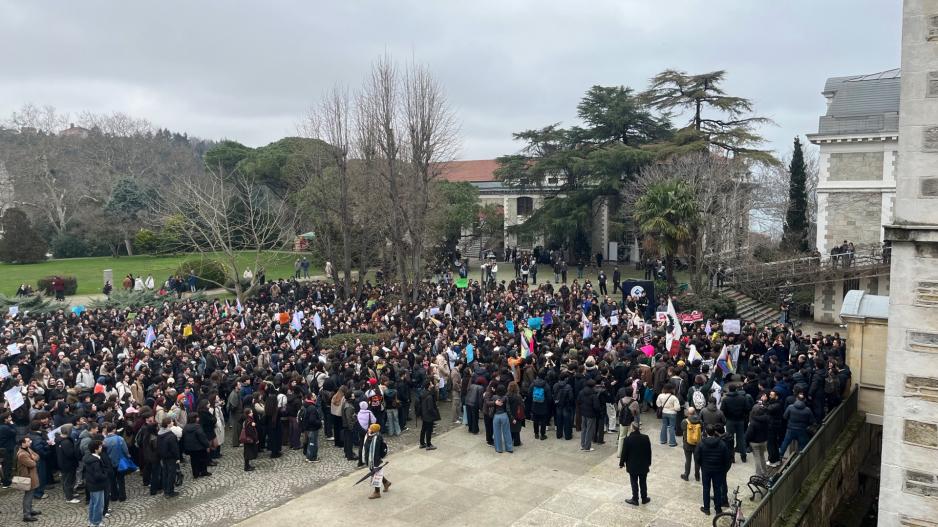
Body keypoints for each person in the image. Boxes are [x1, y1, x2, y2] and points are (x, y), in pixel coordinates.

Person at [696, 424, 732, 515]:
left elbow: (697, 457)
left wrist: (702, 465)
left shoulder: (701, 443)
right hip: (718, 470)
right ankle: (718, 509)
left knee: (706, 488)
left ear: (706, 432)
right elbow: (726, 458)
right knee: (717, 489)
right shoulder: (721, 444)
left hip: (706, 469)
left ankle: (706, 508)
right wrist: (723, 468)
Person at [619, 422, 651, 506]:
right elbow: (649, 452)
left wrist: (621, 463)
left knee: (634, 482)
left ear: (632, 428)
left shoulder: (628, 439)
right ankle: (644, 498)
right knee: (643, 482)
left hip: (632, 466)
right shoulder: (645, 438)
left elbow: (624, 453)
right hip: (643, 465)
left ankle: (635, 499)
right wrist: (649, 462)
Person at [779, 393, 815, 460]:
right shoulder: (807, 410)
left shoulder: (790, 407)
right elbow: (812, 421)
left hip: (790, 429)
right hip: (802, 430)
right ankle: (799, 459)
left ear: (796, 399)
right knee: (802, 444)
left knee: (785, 443)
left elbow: (785, 416)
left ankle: (780, 456)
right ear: (804, 400)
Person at [361, 424, 391, 499]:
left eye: (370, 428)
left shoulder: (377, 438)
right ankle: (386, 482)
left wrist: (375, 462)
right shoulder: (369, 435)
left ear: (373, 430)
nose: (368, 429)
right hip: (369, 459)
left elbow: (376, 451)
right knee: (376, 473)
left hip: (375, 460)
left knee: (376, 475)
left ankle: (377, 492)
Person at [83, 440, 108, 527]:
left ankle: (92, 521)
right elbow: (98, 475)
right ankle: (96, 522)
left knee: (93, 503)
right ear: (95, 449)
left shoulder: (89, 458)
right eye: (100, 447)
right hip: (97, 485)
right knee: (98, 505)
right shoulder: (96, 461)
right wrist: (105, 474)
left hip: (91, 484)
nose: (101, 448)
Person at [16, 435, 40, 522]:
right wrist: (33, 459)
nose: (30, 442)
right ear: (23, 443)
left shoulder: (28, 449)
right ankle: (26, 515)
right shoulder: (22, 454)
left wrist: (33, 458)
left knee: (30, 494)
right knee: (28, 496)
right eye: (28, 441)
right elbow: (32, 464)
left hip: (31, 475)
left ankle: (30, 510)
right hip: (28, 477)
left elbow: (37, 456)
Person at [156, 418, 180, 497]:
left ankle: (166, 490)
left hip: (163, 457)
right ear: (168, 424)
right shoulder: (171, 435)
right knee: (171, 474)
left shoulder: (159, 434)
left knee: (165, 473)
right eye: (171, 421)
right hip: (171, 457)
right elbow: (174, 448)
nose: (173, 422)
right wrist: (177, 458)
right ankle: (170, 491)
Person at [577, 379, 601, 452]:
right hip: (591, 414)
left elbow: (578, 401)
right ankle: (587, 447)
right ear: (593, 386)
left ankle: (583, 445)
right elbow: (596, 406)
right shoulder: (594, 395)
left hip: (583, 412)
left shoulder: (581, 392)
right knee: (589, 430)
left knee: (584, 429)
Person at [680, 407, 703, 481]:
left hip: (687, 444)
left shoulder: (685, 421)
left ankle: (686, 475)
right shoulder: (700, 421)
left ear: (688, 413)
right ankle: (697, 476)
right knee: (697, 461)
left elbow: (682, 429)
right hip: (697, 444)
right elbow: (702, 430)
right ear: (695, 412)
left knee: (688, 460)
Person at [419, 380, 440, 450]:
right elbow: (430, 408)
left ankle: (422, 443)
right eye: (431, 384)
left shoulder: (423, 393)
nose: (432, 385)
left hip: (424, 414)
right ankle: (429, 444)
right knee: (429, 430)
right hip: (429, 416)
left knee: (423, 429)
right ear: (428, 386)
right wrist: (435, 413)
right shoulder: (429, 396)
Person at [302, 393, 323, 462]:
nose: (315, 397)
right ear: (311, 398)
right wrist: (319, 422)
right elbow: (312, 420)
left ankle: (308, 456)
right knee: (313, 443)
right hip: (312, 428)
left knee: (310, 443)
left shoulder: (306, 405)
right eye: (314, 396)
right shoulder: (312, 408)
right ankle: (312, 458)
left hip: (308, 428)